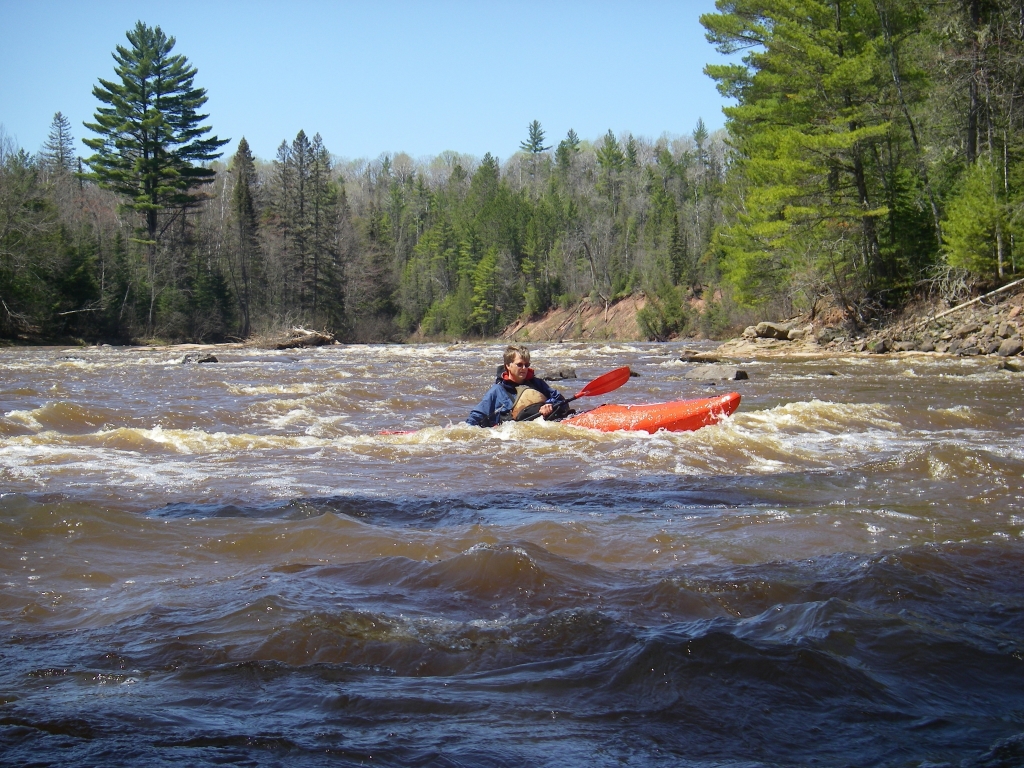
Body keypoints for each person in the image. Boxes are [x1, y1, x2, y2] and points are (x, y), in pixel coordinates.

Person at [466, 345, 569, 427]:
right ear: (508, 366)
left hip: (543, 428)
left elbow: (561, 401)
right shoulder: (497, 391)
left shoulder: (537, 383)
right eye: (519, 365)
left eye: (527, 365)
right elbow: (476, 417)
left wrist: (548, 404)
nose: (524, 368)